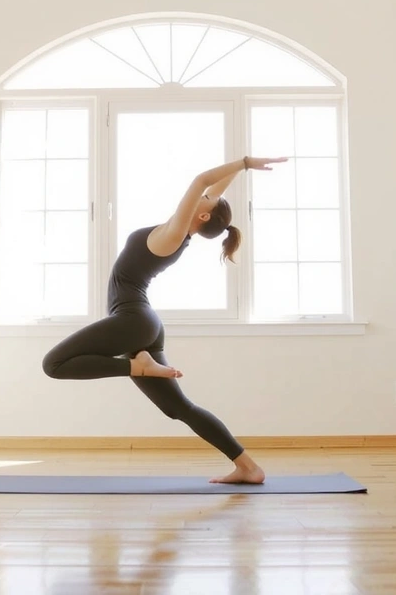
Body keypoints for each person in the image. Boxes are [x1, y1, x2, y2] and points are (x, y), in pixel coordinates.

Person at [42, 155, 287, 484]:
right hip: (143, 324)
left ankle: (136, 365)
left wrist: (244, 162)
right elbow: (212, 191)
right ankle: (248, 467)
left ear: (201, 215)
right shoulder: (180, 229)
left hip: (133, 320)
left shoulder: (174, 234)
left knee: (53, 364)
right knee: (178, 408)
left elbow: (202, 181)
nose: (204, 196)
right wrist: (236, 174)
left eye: (206, 202)